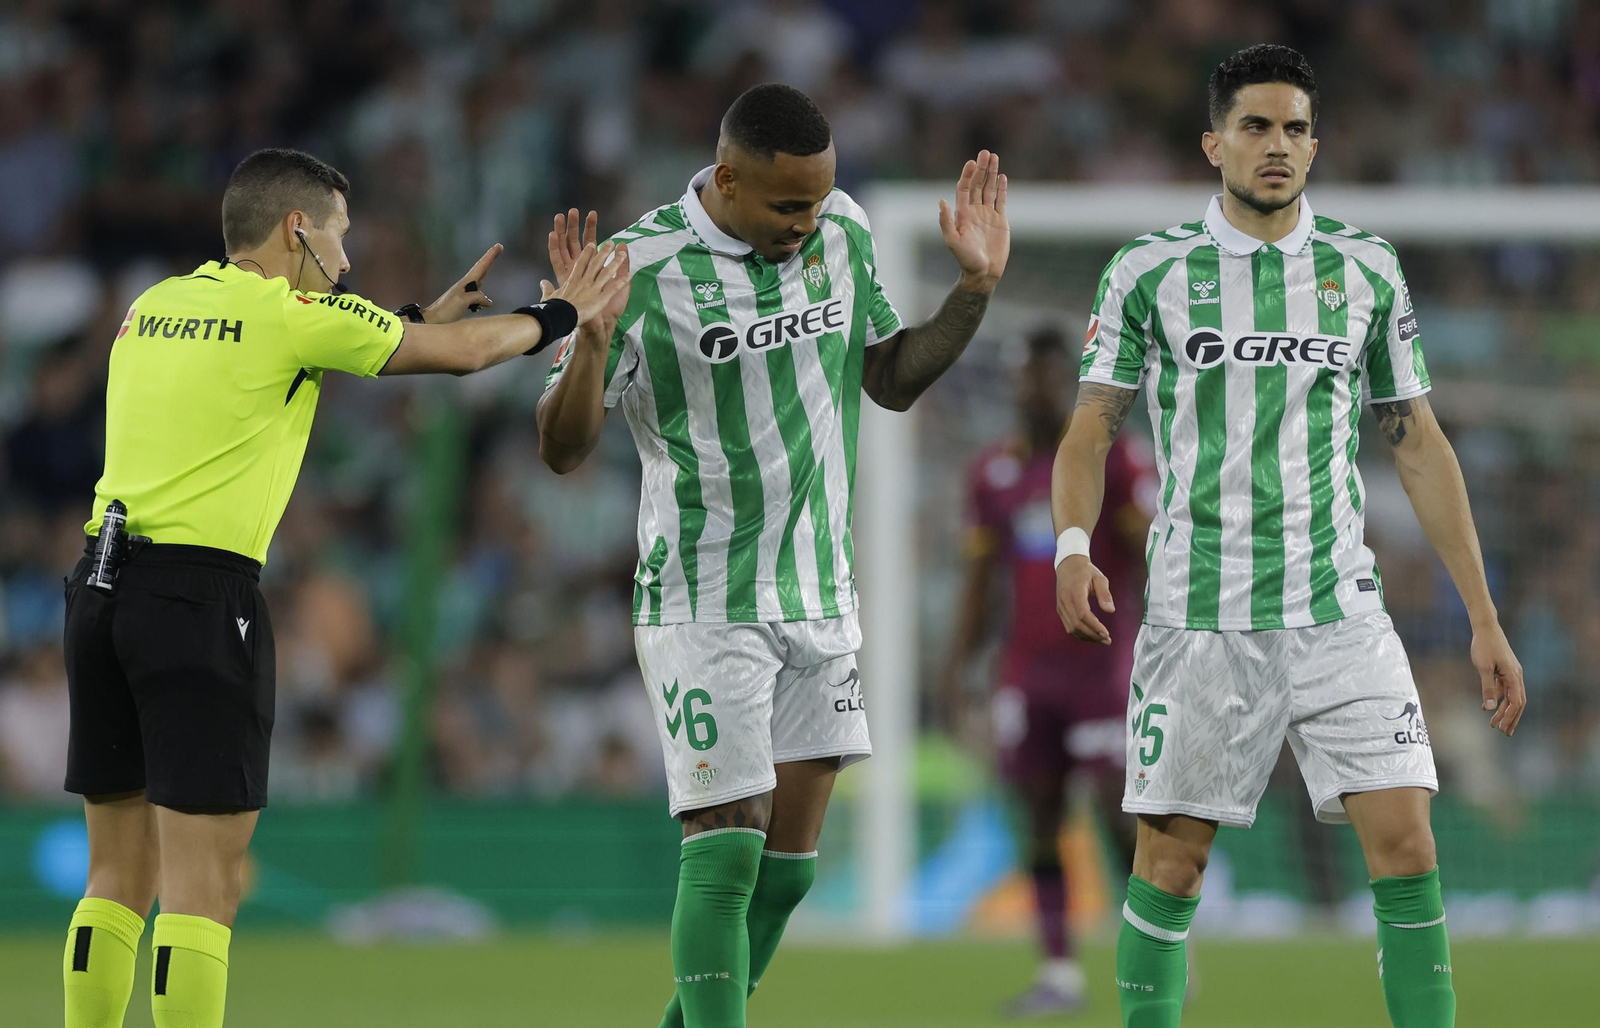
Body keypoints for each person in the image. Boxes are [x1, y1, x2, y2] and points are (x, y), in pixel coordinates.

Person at [59, 147, 629, 1028]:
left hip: (99, 593)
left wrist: (405, 321)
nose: (348, 256)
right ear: (298, 231)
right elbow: (468, 354)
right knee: (203, 890)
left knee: (114, 879)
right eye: (339, 234)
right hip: (197, 600)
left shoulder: (155, 305)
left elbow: (256, 372)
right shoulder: (288, 315)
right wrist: (561, 312)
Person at [1050, 45, 1526, 1028]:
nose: (1278, 146)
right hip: (1201, 613)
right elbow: (1089, 427)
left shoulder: (1365, 267)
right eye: (1257, 126)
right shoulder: (1150, 271)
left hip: (1339, 610)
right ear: (1212, 141)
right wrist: (1070, 544)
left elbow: (1418, 443)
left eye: (1296, 128)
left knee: (1407, 843)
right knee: (1171, 862)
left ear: (1316, 144)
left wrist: (1482, 614)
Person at [536, 83, 1010, 1028]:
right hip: (704, 595)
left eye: (820, 198)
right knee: (725, 848)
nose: (808, 220)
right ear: (725, 181)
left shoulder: (845, 231)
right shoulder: (641, 264)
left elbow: (891, 377)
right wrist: (589, 343)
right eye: (788, 205)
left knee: (789, 874)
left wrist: (974, 290)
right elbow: (562, 446)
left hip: (821, 593)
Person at [944, 326, 1153, 1016]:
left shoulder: (1114, 464)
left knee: (1117, 811)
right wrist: (958, 665)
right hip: (1027, 676)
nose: (1032, 391)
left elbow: (1149, 560)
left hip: (1101, 672)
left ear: (1069, 387)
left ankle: (1157, 949)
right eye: (1024, 377)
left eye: (1045, 377)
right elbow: (981, 581)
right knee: (1037, 816)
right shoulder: (993, 475)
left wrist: (1165, 652)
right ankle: (1059, 970)